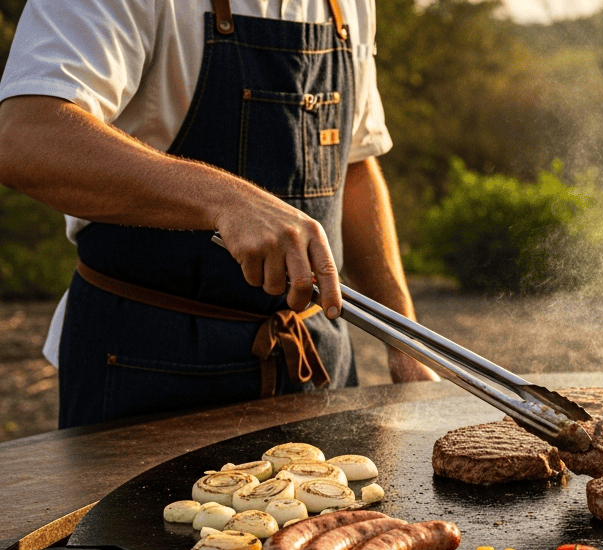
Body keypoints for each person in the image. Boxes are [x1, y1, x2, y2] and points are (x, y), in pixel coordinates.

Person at [0, 0, 438, 430]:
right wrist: (225, 200)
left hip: (314, 370)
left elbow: (354, 164)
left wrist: (404, 339)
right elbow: (26, 136)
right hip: (146, 375)